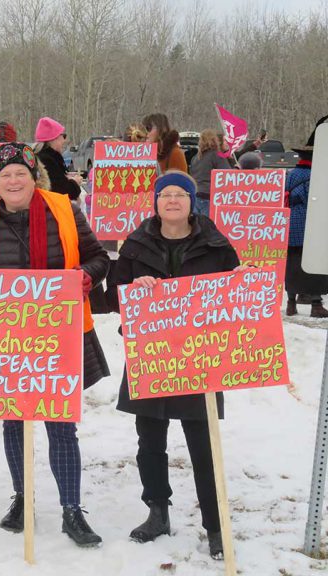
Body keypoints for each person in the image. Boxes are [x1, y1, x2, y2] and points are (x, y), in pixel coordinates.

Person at [0, 142, 110, 548]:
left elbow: (99, 257)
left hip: (58, 336)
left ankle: (72, 510)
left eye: (20, 173)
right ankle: (23, 498)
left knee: (61, 424)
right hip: (6, 339)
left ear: (33, 175)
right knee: (13, 423)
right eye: (5, 175)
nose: (13, 180)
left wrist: (84, 278)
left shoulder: (65, 209)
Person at [114, 170, 241, 560]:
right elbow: (114, 298)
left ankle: (215, 525)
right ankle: (157, 512)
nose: (172, 200)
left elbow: (234, 297)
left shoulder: (217, 246)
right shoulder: (135, 246)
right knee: (150, 443)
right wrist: (135, 292)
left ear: (192, 202)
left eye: (180, 194)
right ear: (155, 202)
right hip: (151, 360)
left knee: (204, 447)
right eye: (164, 194)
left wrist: (241, 281)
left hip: (199, 361)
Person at [284, 116, 328, 318]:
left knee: (292, 264)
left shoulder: (291, 174)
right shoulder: (314, 177)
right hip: (308, 226)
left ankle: (292, 302)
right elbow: (315, 202)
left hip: (289, 225)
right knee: (313, 264)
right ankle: (316, 303)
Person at [34, 116, 82, 200]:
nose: (64, 140)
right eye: (63, 136)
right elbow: (63, 192)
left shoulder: (41, 156)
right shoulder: (48, 160)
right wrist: (75, 183)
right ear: (53, 138)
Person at [189, 129, 231, 216]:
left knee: (197, 226)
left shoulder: (195, 158)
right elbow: (228, 175)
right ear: (214, 140)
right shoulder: (217, 155)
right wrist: (237, 168)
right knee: (208, 226)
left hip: (195, 195)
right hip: (209, 196)